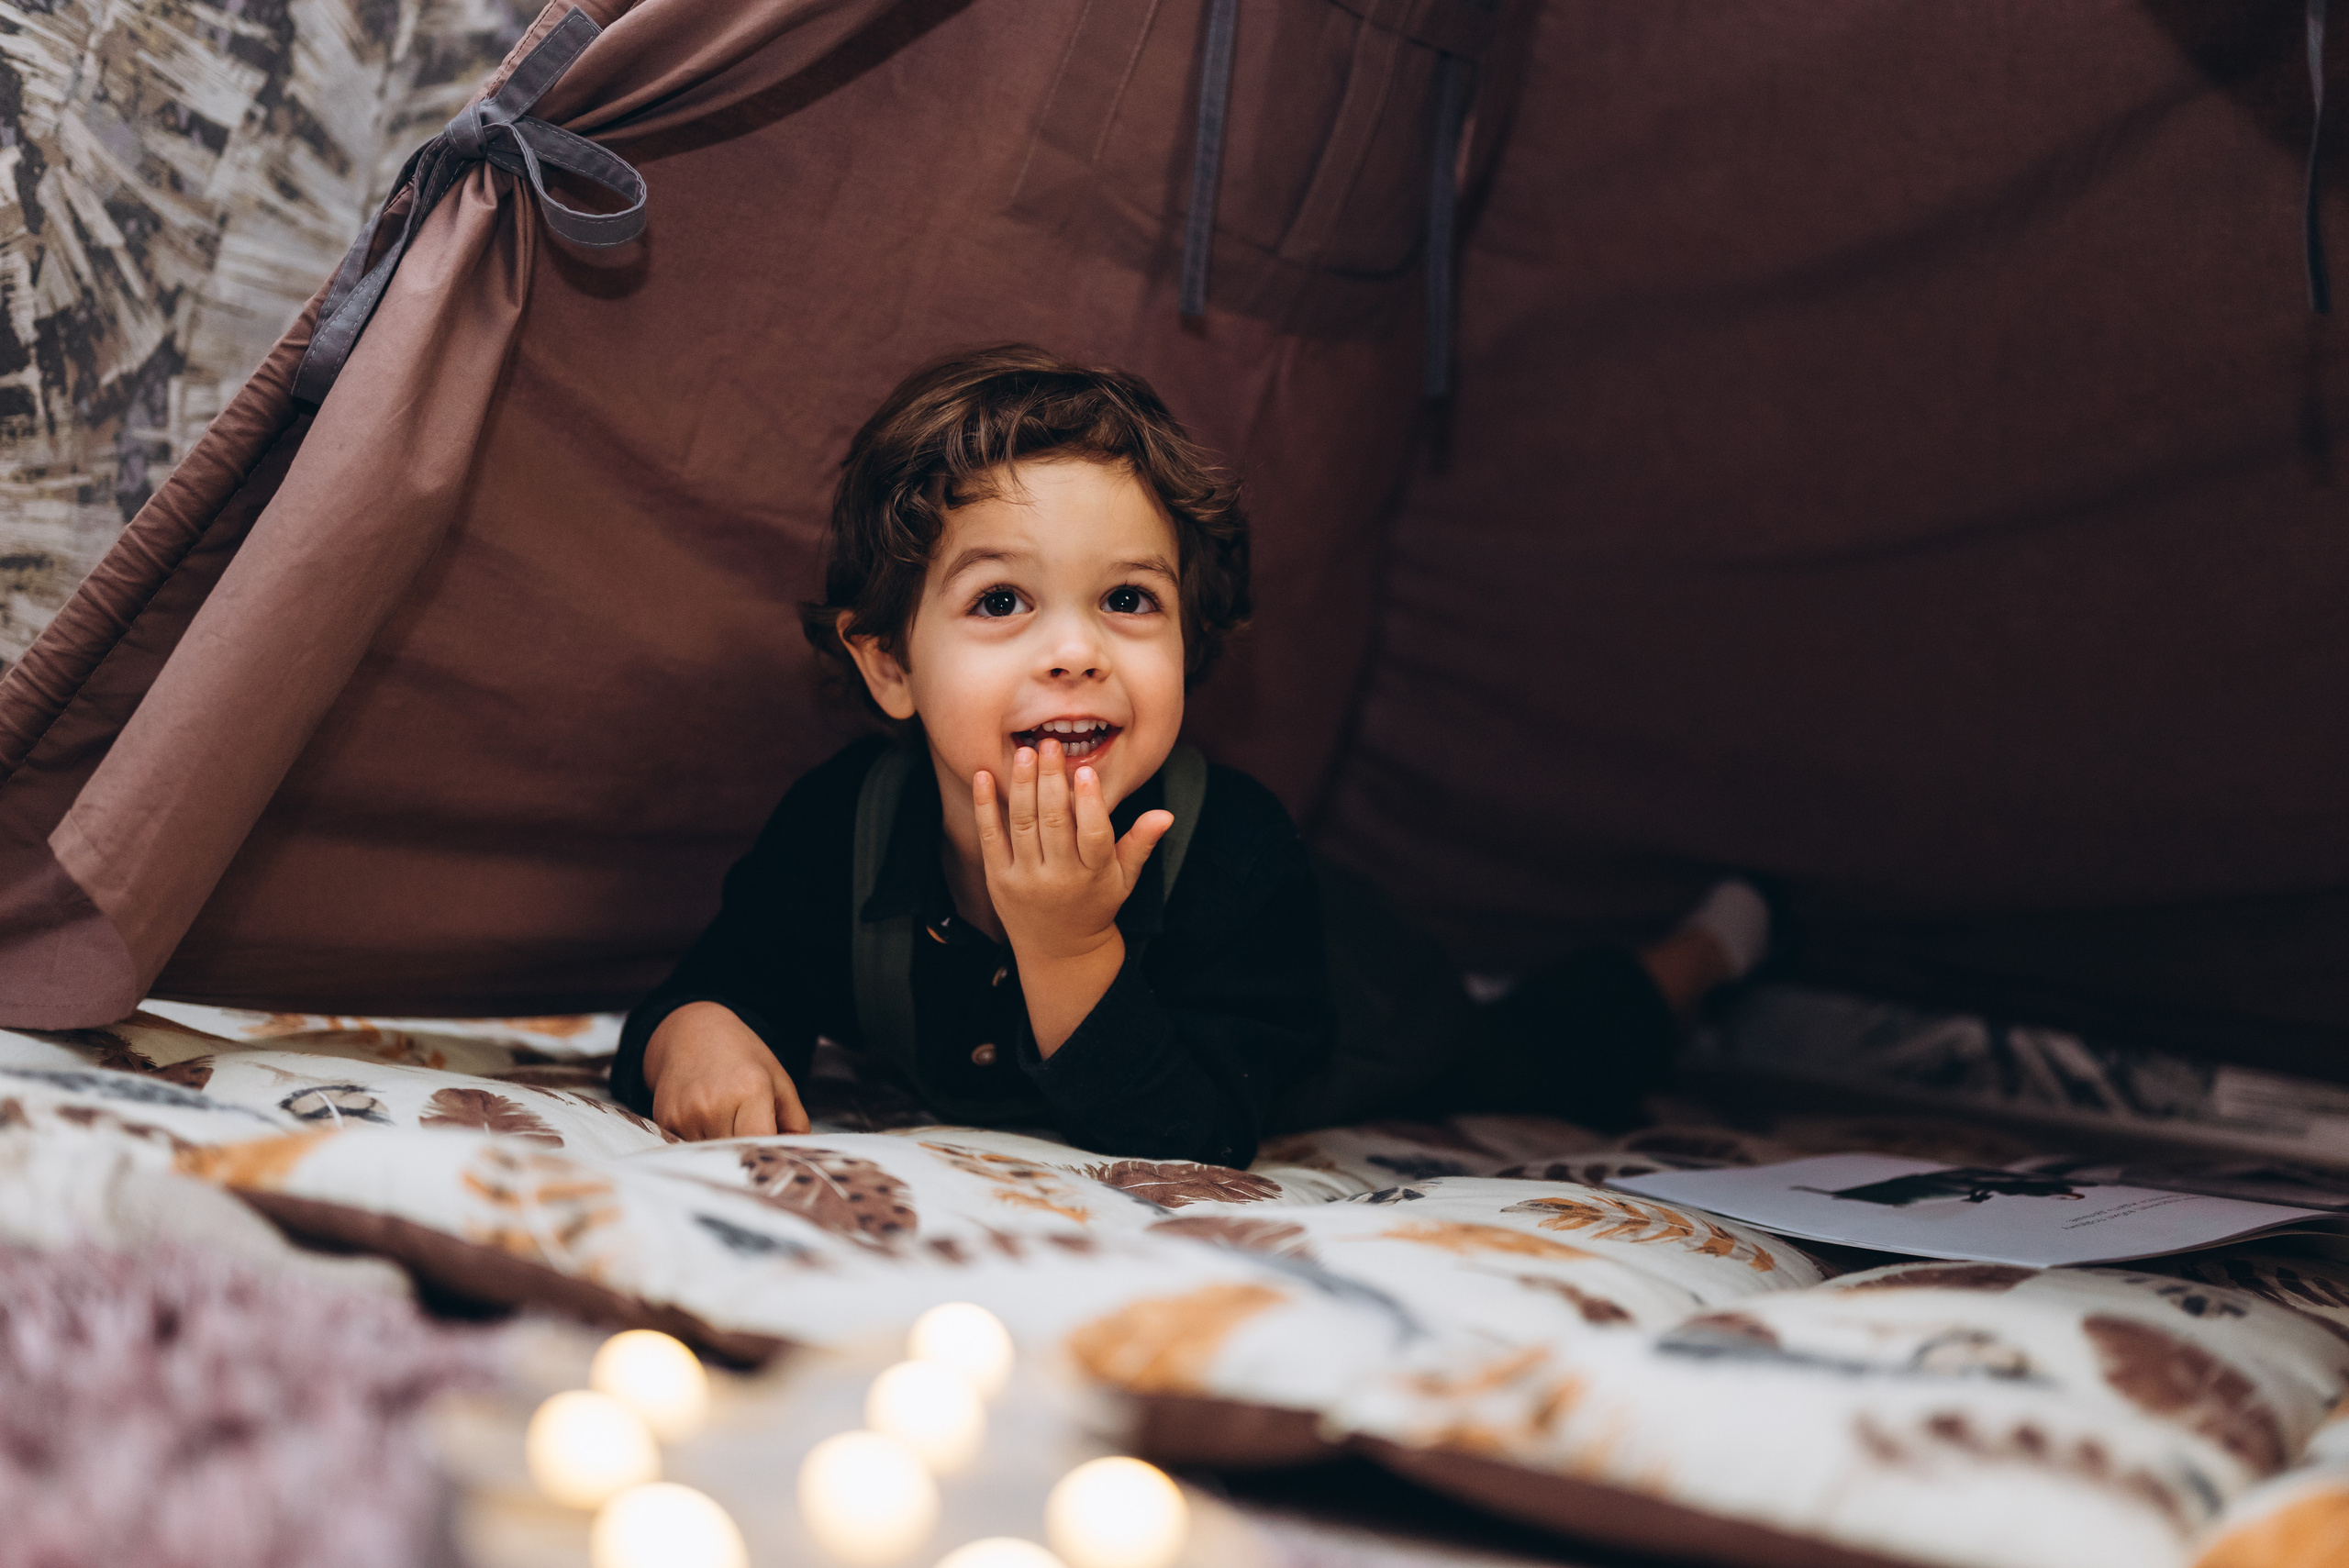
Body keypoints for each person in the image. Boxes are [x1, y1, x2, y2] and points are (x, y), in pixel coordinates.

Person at [609, 345, 1767, 1165]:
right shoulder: (840, 829)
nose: (1074, 651)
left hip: (1353, 994)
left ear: (1188, 639)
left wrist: (1068, 945)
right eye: (1002, 599)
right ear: (889, 666)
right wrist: (699, 1029)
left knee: (1520, 1049)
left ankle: (1697, 957)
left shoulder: (1236, 853)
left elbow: (1194, 1138)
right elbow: (713, 984)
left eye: (1127, 600)